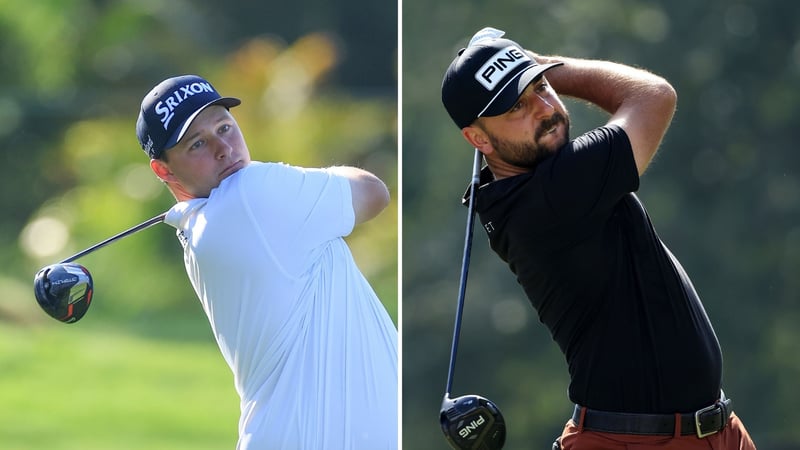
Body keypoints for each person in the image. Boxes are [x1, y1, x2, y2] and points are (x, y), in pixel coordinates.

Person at [441, 27, 756, 449]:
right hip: (635, 442)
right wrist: (550, 66)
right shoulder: (554, 194)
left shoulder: (515, 191)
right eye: (517, 105)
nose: (545, 109)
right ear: (478, 138)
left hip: (709, 432)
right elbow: (654, 96)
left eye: (541, 88)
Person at [135, 74, 398, 449]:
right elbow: (374, 192)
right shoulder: (251, 194)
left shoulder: (200, 227)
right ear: (164, 170)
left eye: (225, 127)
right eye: (197, 144)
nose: (223, 148)